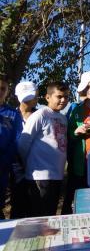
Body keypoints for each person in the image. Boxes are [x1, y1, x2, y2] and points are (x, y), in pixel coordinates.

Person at [18, 81, 69, 217]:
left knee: (51, 215)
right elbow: (23, 143)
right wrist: (27, 164)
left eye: (66, 97)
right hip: (40, 176)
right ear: (47, 97)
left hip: (57, 175)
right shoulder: (40, 115)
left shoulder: (63, 118)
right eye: (59, 96)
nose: (63, 100)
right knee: (39, 217)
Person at [10, 81, 39, 218]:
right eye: (26, 97)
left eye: (32, 97)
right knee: (18, 202)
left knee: (35, 204)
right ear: (18, 97)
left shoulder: (41, 115)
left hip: (37, 164)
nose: (29, 101)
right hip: (15, 166)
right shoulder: (10, 116)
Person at [61, 88, 87, 215]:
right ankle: (67, 214)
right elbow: (67, 131)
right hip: (75, 155)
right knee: (72, 190)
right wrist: (76, 132)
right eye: (84, 94)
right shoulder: (74, 107)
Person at [0, 75, 23, 219]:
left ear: (7, 91)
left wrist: (4, 161)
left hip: (2, 167)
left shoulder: (13, 114)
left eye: (3, 89)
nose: (0, 91)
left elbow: (16, 140)